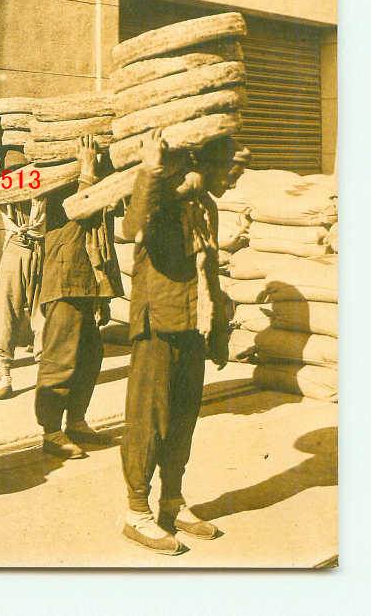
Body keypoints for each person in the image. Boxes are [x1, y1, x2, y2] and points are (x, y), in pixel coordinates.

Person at [120, 129, 247, 555]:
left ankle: (171, 502)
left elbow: (209, 272)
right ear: (206, 164)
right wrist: (150, 168)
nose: (234, 181)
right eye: (231, 171)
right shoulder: (164, 196)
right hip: (158, 323)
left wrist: (219, 332)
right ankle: (137, 512)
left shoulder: (206, 206)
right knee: (148, 420)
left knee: (182, 420)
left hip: (193, 326)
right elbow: (131, 226)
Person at [35, 135, 124, 458]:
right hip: (65, 278)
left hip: (88, 280)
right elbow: (80, 210)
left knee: (89, 355)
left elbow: (103, 227)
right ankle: (51, 431)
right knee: (61, 357)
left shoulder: (95, 181)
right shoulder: (57, 182)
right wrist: (86, 169)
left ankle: (76, 421)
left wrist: (104, 293)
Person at [0, 115, 46, 400]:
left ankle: (45, 373)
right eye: (13, 171)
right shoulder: (3, 191)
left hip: (42, 249)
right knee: (4, 309)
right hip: (15, 250)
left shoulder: (43, 187)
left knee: (43, 313)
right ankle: (4, 374)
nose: (18, 175)